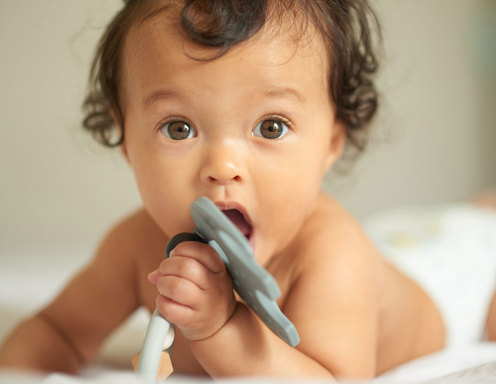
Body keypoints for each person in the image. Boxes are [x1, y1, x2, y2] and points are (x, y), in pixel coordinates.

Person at [1, 0, 494, 380]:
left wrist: (221, 331)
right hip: (398, 243)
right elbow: (56, 330)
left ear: (332, 142)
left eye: (272, 126)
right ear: (126, 140)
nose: (222, 167)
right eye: (178, 128)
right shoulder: (134, 247)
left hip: (460, 282)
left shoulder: (331, 256)